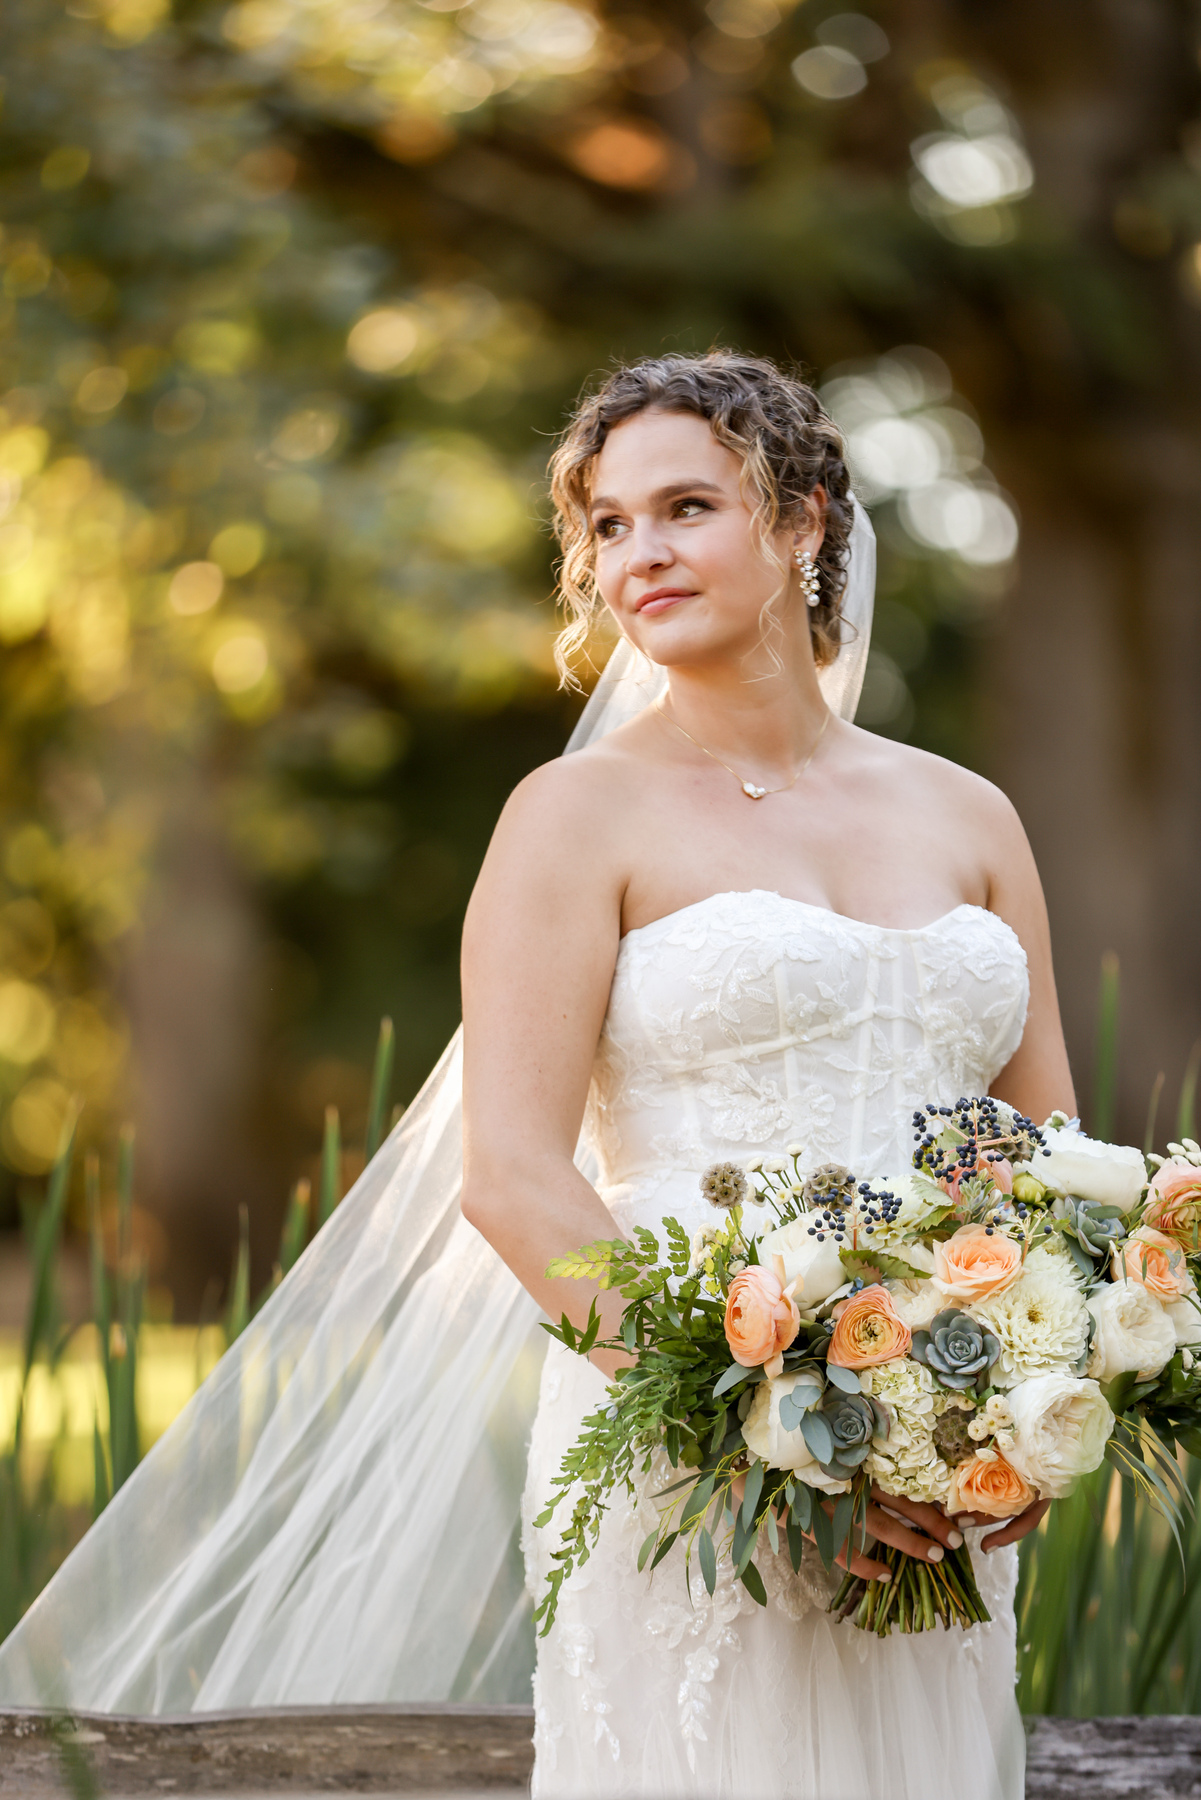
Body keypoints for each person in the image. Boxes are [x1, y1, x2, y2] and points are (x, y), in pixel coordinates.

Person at [460, 350, 1072, 1799]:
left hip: (931, 1447)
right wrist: (757, 1453)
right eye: (606, 524)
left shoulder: (965, 810)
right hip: (685, 1446)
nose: (637, 555)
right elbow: (516, 1179)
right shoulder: (570, 817)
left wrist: (1013, 1409)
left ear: (803, 522)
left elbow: (1039, 1147)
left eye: (685, 507)